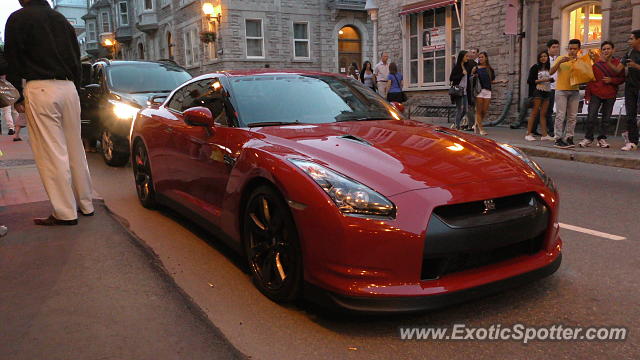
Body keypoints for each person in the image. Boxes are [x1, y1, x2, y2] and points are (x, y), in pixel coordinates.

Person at [5, 0, 95, 225]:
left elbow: (13, 59)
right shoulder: (61, 20)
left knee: (52, 153)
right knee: (75, 148)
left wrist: (18, 94)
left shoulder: (18, 18)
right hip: (69, 88)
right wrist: (77, 87)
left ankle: (65, 212)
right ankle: (86, 204)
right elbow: (76, 56)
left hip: (41, 87)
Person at [578, 41, 625, 148]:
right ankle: (588, 138)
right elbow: (590, 80)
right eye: (604, 49)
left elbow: (622, 78)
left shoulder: (618, 63)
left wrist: (612, 80)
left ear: (613, 50)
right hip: (595, 94)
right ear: (601, 51)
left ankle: (602, 139)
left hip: (610, 94)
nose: (606, 51)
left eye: (608, 48)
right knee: (591, 117)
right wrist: (587, 95)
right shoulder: (596, 64)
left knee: (606, 119)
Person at [610, 30, 640, 151]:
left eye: (631, 38)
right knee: (630, 115)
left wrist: (635, 66)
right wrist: (607, 61)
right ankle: (632, 141)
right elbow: (617, 70)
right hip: (630, 87)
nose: (629, 41)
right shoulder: (629, 52)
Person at [550, 39, 582, 149]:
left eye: (575, 49)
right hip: (561, 90)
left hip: (575, 90)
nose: (572, 51)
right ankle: (558, 138)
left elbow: (585, 75)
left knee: (572, 116)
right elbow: (551, 72)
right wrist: (559, 62)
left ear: (579, 50)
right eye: (570, 48)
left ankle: (569, 137)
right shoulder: (560, 58)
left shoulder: (580, 60)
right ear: (567, 49)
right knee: (560, 115)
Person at [473, 52, 507, 136]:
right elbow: (471, 79)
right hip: (479, 91)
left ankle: (477, 123)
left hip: (488, 91)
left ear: (486, 58)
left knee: (484, 111)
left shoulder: (490, 69)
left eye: (482, 57)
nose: (480, 59)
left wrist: (501, 81)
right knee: (478, 111)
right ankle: (481, 129)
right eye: (479, 57)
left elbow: (491, 81)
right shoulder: (476, 68)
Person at [524, 51, 555, 141]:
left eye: (545, 56)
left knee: (543, 114)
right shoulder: (535, 67)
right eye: (541, 56)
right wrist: (542, 80)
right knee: (534, 113)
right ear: (539, 58)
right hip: (538, 91)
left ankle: (544, 135)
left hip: (547, 91)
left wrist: (550, 80)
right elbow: (530, 80)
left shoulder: (549, 67)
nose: (543, 58)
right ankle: (529, 133)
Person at [449, 51, 474, 130]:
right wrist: (462, 74)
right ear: (462, 57)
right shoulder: (457, 67)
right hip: (458, 91)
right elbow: (451, 78)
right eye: (466, 56)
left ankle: (455, 123)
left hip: (465, 91)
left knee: (465, 110)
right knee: (459, 109)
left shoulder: (467, 66)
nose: (467, 58)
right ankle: (457, 127)